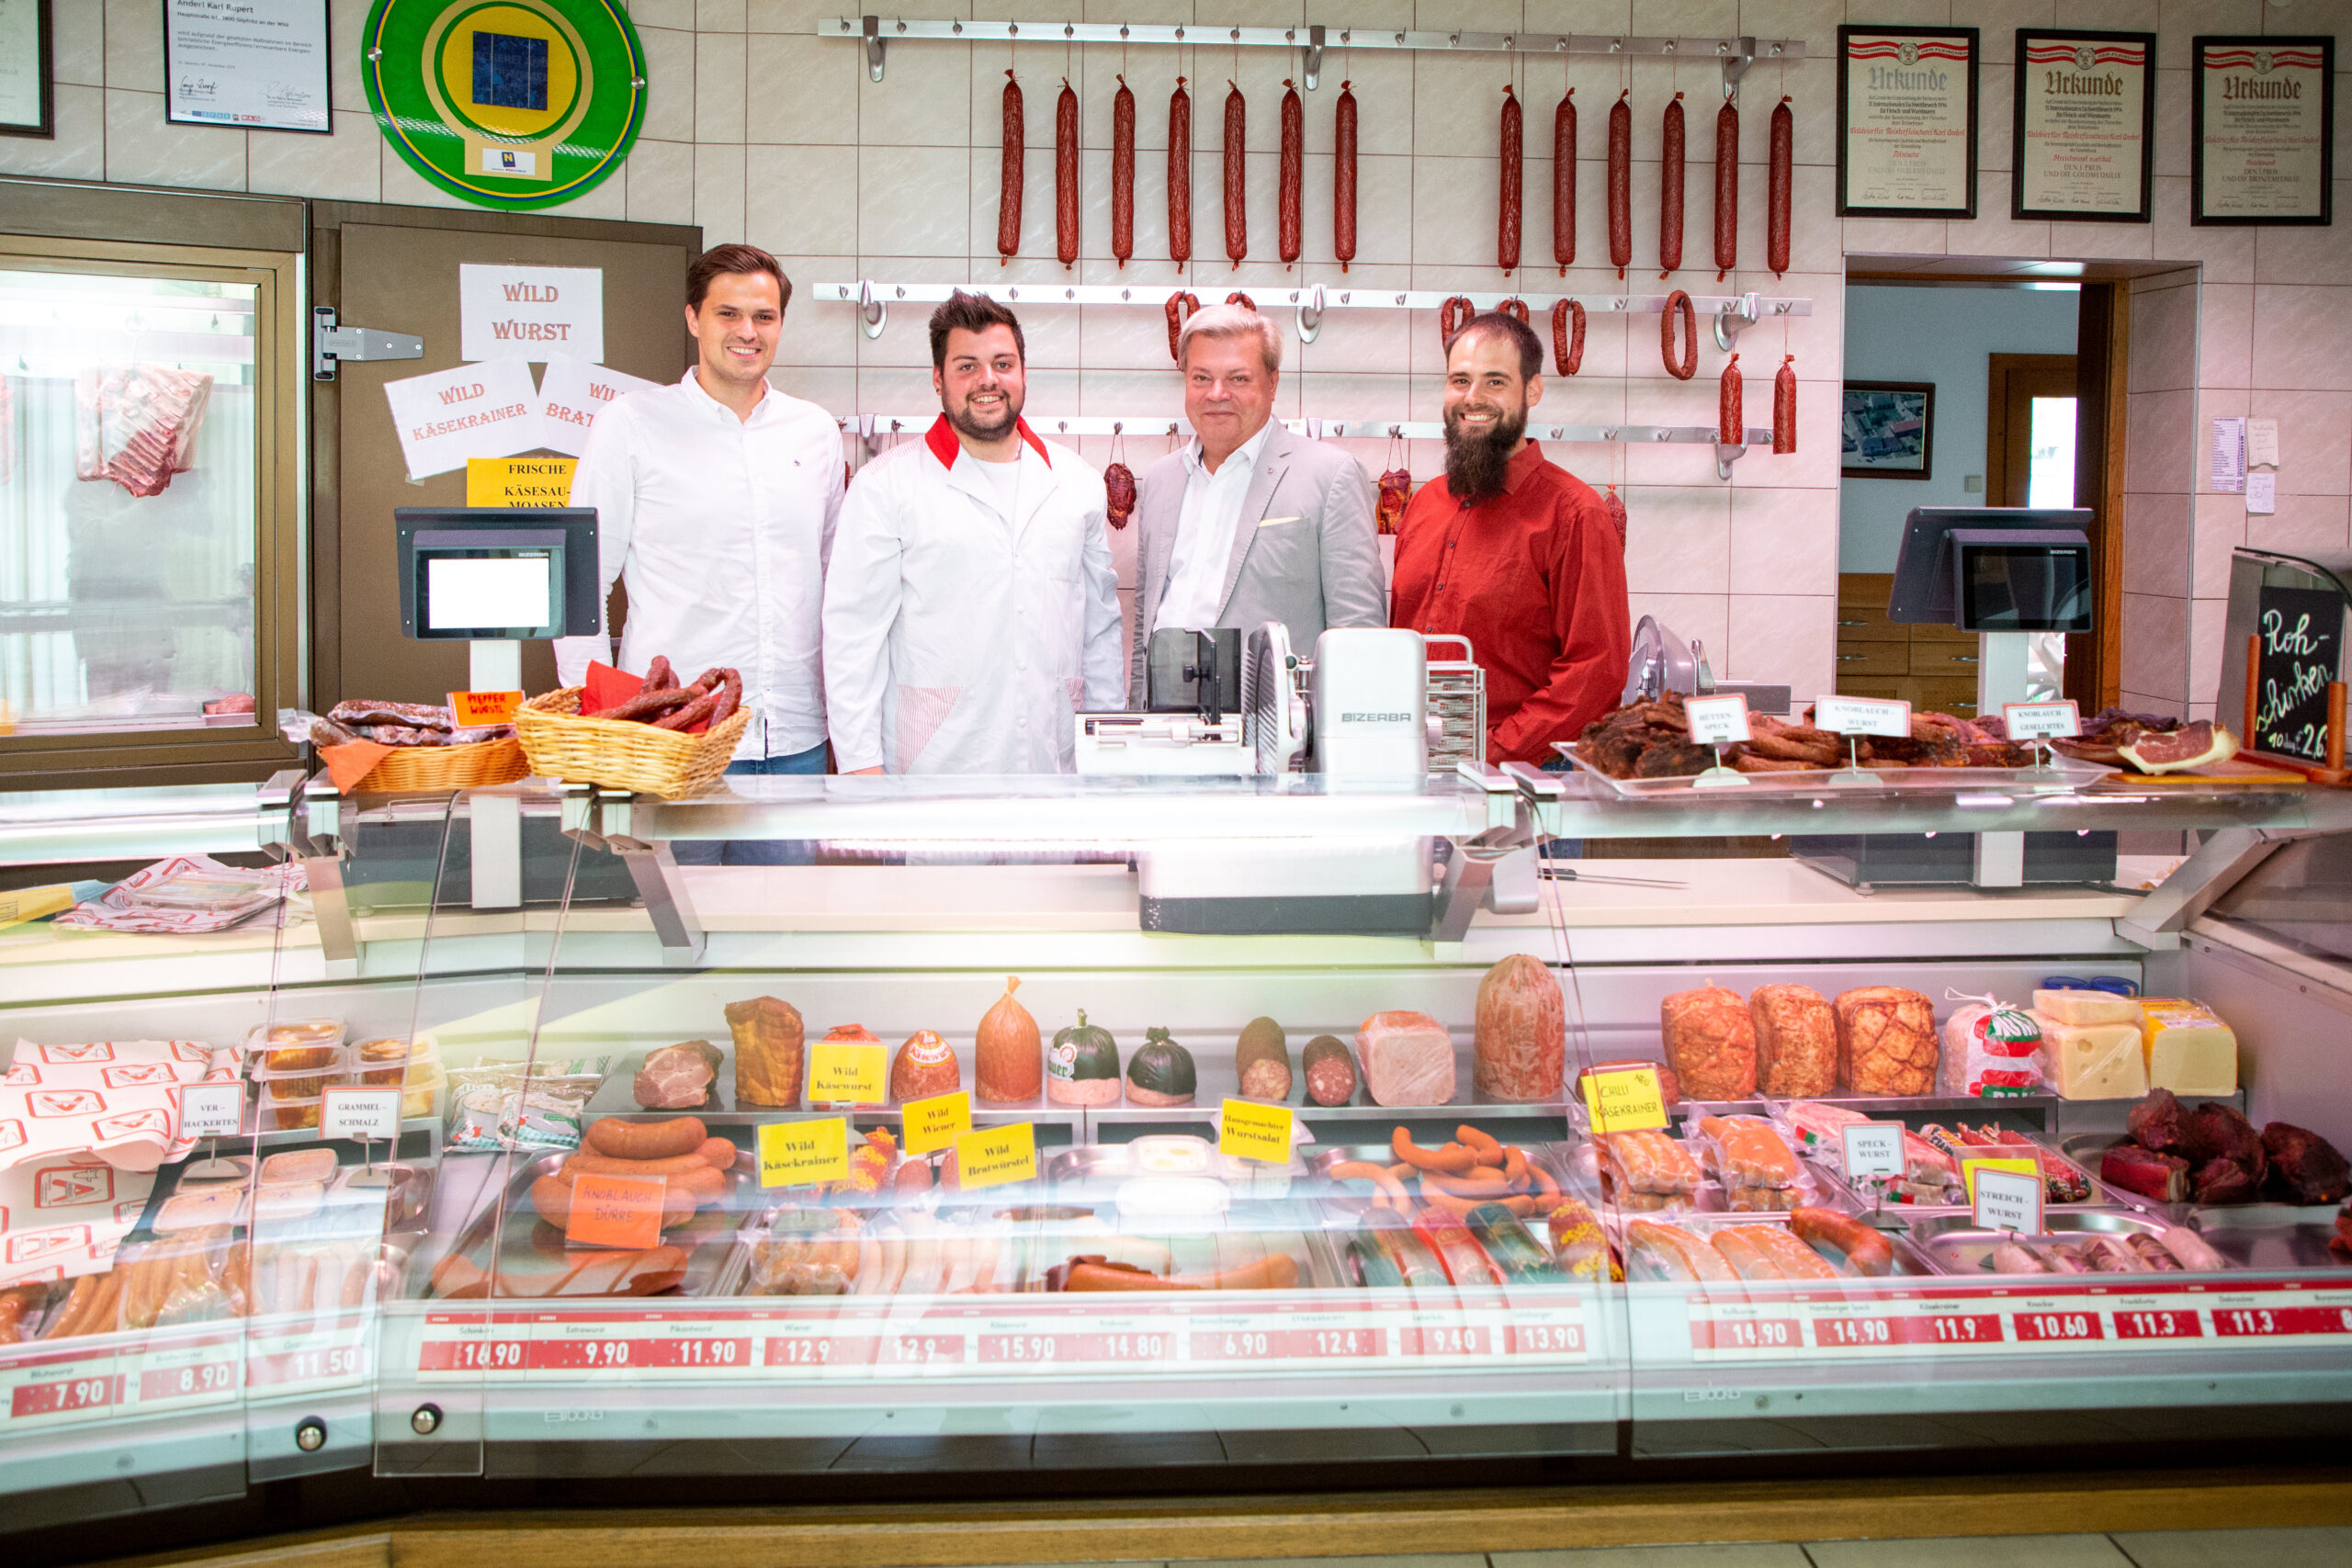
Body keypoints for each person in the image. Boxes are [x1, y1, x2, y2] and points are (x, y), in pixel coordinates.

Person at [553, 243, 843, 863]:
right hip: (674, 743)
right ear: (693, 318)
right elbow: (582, 582)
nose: (747, 331)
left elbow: (832, 578)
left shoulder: (814, 431)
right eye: (728, 314)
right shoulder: (630, 424)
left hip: (792, 734)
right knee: (675, 935)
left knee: (784, 934)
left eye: (764, 317)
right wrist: (600, 731)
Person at [822, 291, 1123, 774]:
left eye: (1003, 363)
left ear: (1023, 372)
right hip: (935, 764)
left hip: (1054, 762)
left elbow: (1100, 630)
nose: (988, 380)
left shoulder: (1077, 482)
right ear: (938, 379)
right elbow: (852, 639)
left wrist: (1110, 746)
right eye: (967, 366)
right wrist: (860, 768)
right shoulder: (886, 485)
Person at [1389, 310, 1631, 767]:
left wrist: (1492, 753)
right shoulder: (1424, 504)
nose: (1472, 398)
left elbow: (1596, 671)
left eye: (1495, 382)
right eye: (1460, 380)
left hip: (1525, 776)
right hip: (1414, 766)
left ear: (1532, 391)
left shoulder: (1574, 513)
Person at [1127, 301, 1385, 702]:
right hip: (1168, 734)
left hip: (1276, 740)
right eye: (1201, 377)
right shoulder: (1161, 480)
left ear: (1272, 383)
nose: (1217, 393)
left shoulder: (1330, 475)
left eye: (1238, 378)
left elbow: (1358, 638)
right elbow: (1147, 621)